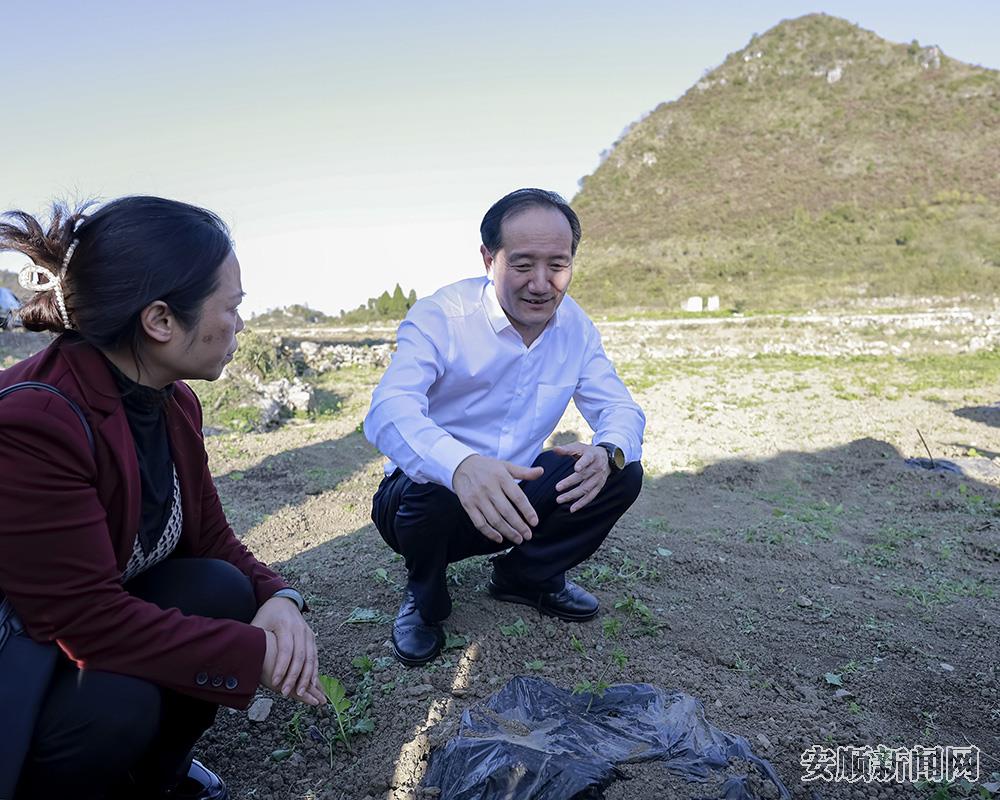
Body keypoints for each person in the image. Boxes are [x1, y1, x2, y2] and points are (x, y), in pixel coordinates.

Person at [0, 197, 326, 800]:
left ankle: (157, 777)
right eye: (231, 307)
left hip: (80, 627)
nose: (239, 325)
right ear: (159, 321)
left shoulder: (173, 398)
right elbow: (84, 622)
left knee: (221, 588)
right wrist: (253, 655)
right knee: (120, 701)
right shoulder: (36, 421)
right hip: (22, 649)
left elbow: (209, 537)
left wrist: (277, 596)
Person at [365, 188, 646, 666]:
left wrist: (608, 450)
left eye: (557, 265)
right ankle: (424, 598)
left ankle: (525, 576)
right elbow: (389, 408)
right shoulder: (442, 316)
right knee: (433, 481)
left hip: (515, 499)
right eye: (522, 265)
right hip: (424, 506)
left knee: (622, 470)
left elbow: (620, 408)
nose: (541, 283)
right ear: (488, 259)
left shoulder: (575, 327)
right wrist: (460, 465)